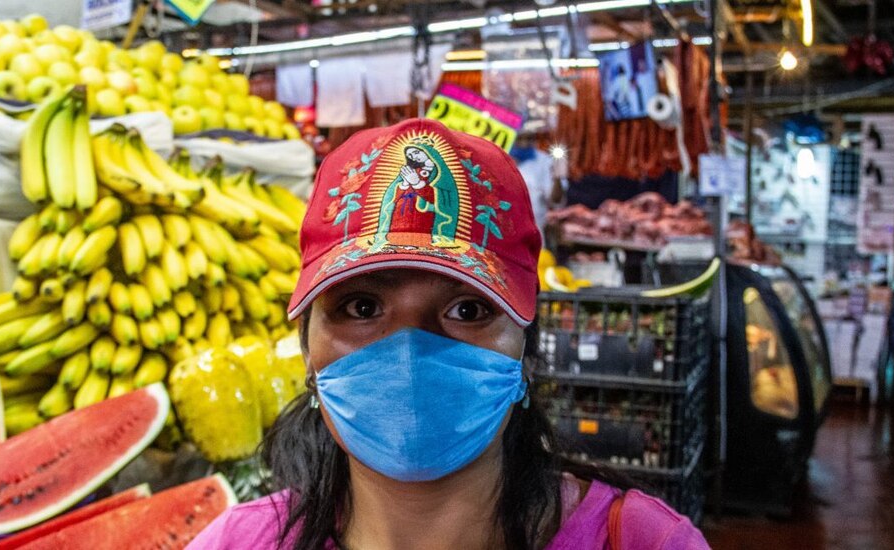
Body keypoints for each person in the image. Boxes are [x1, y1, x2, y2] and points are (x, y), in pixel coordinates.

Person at [190, 118, 708, 550]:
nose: (408, 353)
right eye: (362, 305)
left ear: (526, 348)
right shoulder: (238, 542)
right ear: (307, 349)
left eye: (467, 308)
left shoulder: (644, 541)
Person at [510, 132, 553, 244]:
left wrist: (558, 175)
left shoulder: (544, 161)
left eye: (529, 138)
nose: (524, 144)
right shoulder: (496, 157)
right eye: (519, 139)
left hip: (533, 233)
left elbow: (555, 200)